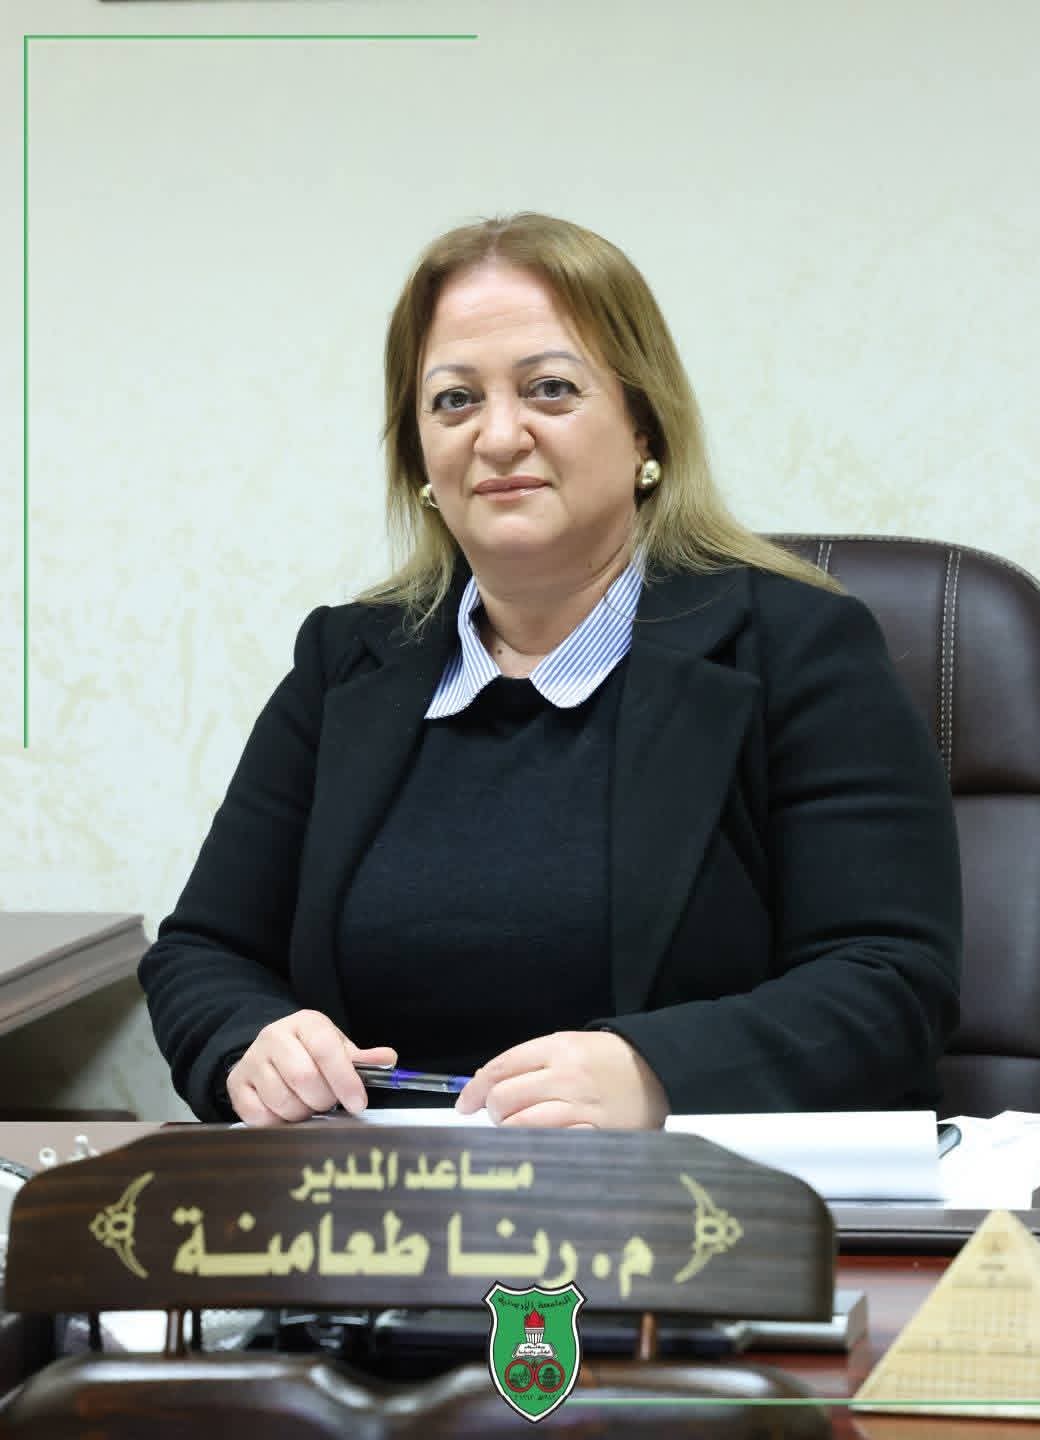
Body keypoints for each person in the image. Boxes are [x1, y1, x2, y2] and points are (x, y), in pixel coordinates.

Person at [139, 211, 962, 1129]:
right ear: (419, 455)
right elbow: (203, 952)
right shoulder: (346, 663)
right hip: (380, 1196)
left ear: (644, 428)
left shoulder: (798, 648)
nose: (498, 437)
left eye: (551, 389)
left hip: (688, 1196)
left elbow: (891, 982)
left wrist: (657, 1073)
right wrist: (251, 1042)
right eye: (455, 400)